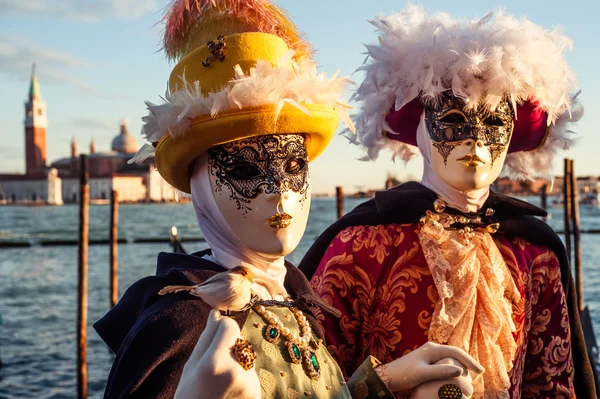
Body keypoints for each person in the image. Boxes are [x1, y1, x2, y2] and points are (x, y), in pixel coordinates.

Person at [94, 1, 485, 398]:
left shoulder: (290, 297)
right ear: (200, 185)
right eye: (245, 170)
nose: (279, 189)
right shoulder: (182, 326)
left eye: (293, 164)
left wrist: (379, 384)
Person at [299, 6, 596, 399]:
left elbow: (551, 386)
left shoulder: (536, 253)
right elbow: (308, 381)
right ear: (421, 128)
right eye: (454, 119)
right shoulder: (359, 246)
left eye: (493, 124)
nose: (475, 141)